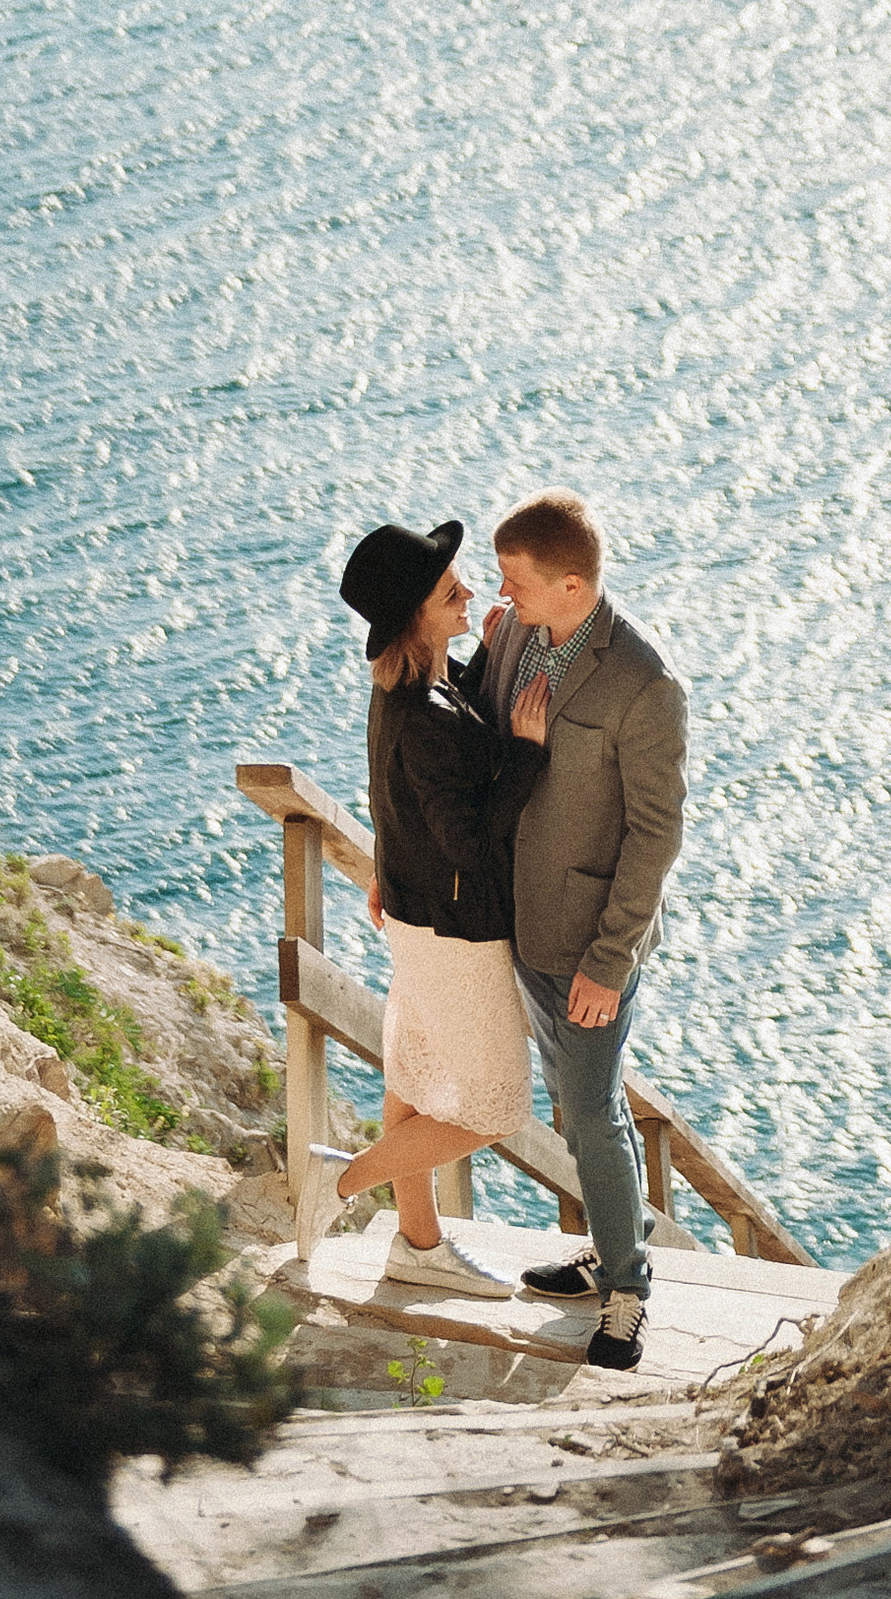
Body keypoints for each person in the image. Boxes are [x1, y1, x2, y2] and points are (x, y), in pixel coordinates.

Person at [291, 515, 551, 1297]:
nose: (469, 595)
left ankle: (419, 1243)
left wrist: (490, 654)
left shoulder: (407, 690)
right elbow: (469, 841)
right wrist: (527, 756)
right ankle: (341, 1182)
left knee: (414, 1074)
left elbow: (406, 784)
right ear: (415, 619)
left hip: (415, 914)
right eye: (451, 594)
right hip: (453, 934)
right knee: (497, 1110)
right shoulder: (426, 715)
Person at [478, 488, 686, 1375]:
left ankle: (628, 1288)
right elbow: (487, 735)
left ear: (573, 584)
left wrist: (610, 960)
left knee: (593, 1113)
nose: (503, 593)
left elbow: (656, 835)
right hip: (522, 924)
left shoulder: (645, 684)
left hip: (592, 944)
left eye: (516, 581)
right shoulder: (517, 636)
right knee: (577, 1102)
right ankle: (613, 1240)